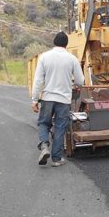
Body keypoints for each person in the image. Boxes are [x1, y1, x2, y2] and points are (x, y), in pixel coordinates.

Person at [31, 31, 85, 167]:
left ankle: (44, 146)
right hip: (64, 100)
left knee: (43, 123)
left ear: (54, 42)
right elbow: (80, 80)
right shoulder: (72, 59)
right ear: (66, 44)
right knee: (60, 127)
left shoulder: (44, 57)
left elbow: (38, 80)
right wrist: (73, 83)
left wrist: (34, 99)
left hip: (48, 98)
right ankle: (56, 159)